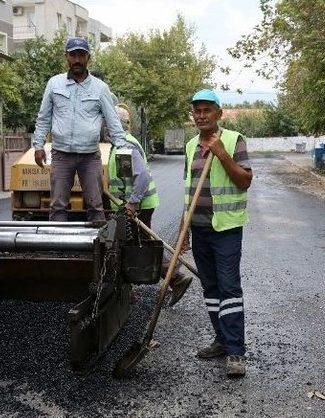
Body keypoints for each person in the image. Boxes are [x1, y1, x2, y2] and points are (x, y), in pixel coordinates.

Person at [182, 89, 252, 377]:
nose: (201, 115)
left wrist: (222, 154)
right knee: (210, 288)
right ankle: (221, 340)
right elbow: (189, 190)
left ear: (218, 114)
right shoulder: (189, 146)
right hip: (198, 229)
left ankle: (236, 352)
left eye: (206, 110)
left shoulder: (234, 141)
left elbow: (245, 181)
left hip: (225, 228)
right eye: (196, 110)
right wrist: (183, 228)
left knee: (229, 288)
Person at [32, 37, 126, 222]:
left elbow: (113, 121)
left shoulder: (100, 88)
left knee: (95, 205)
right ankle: (59, 247)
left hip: (90, 156)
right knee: (57, 205)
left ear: (88, 57)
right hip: (61, 155)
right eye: (72, 55)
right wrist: (38, 145)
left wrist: (122, 148)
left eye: (81, 55)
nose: (77, 59)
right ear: (66, 57)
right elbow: (44, 117)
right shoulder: (54, 84)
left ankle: (98, 248)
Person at [108, 104, 193, 305]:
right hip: (134, 204)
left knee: (135, 247)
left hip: (138, 206)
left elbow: (142, 177)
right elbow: (125, 177)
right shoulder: (121, 144)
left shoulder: (123, 146)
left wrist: (132, 203)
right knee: (138, 244)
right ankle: (170, 280)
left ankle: (174, 279)